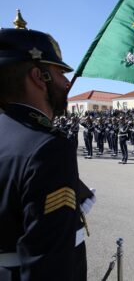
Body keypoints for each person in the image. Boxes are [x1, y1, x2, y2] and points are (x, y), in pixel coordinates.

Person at [0, 18, 95, 280]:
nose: (67, 83)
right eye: (60, 73)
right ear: (38, 77)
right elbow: (48, 263)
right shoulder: (48, 146)